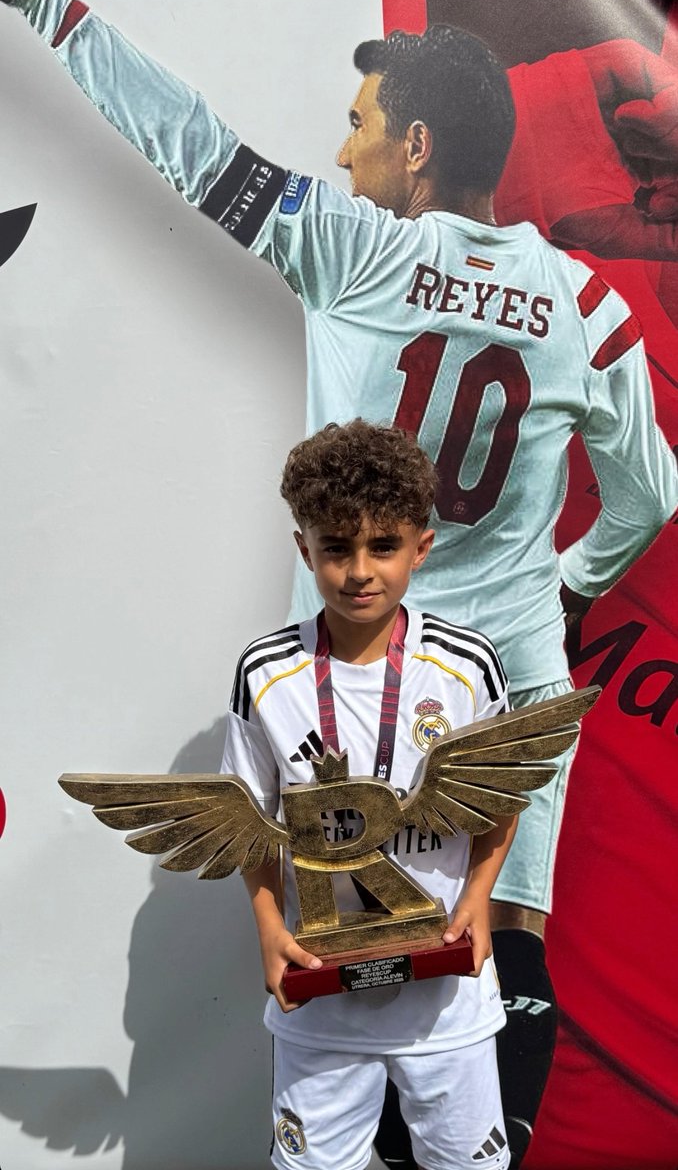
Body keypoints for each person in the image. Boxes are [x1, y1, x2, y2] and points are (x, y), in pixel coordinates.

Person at [1, 0, 676, 1161]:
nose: (342, 143)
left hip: (366, 682)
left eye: (359, 122)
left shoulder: (348, 249)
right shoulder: (583, 303)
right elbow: (654, 494)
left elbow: (186, 138)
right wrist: (563, 591)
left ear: (416, 147)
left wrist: (48, 3)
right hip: (510, 681)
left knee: (353, 973)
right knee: (507, 941)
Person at [224, 417, 514, 1170]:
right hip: (321, 1003)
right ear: (304, 549)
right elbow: (249, 826)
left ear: (421, 546)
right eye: (335, 548)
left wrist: (478, 898)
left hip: (446, 1000)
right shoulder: (264, 672)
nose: (359, 571)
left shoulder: (466, 666)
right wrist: (267, 928)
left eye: (383, 546)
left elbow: (503, 799)